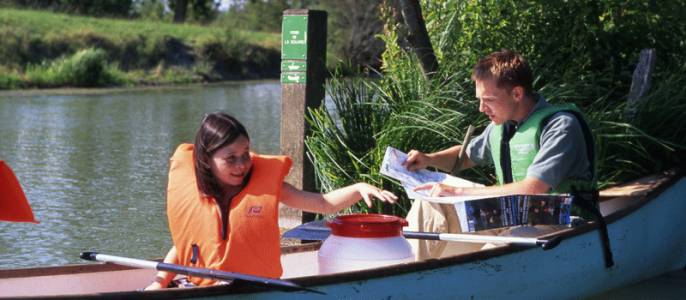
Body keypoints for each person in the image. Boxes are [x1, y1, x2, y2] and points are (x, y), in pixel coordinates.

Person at [145, 112, 397, 289]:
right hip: (201, 286)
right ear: (205, 159)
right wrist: (159, 283)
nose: (242, 164)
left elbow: (323, 204)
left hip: (255, 288)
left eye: (245, 154)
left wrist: (359, 187)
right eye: (230, 158)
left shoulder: (265, 186)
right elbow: (183, 245)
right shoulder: (194, 189)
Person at [401, 49, 597, 260]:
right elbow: (466, 156)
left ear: (517, 94)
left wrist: (457, 191)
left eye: (489, 99)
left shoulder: (561, 126)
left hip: (559, 221)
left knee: (512, 239)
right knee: (430, 202)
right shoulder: (502, 126)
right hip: (508, 216)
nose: (481, 108)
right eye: (479, 99)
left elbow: (533, 188)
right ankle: (404, 271)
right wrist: (430, 159)